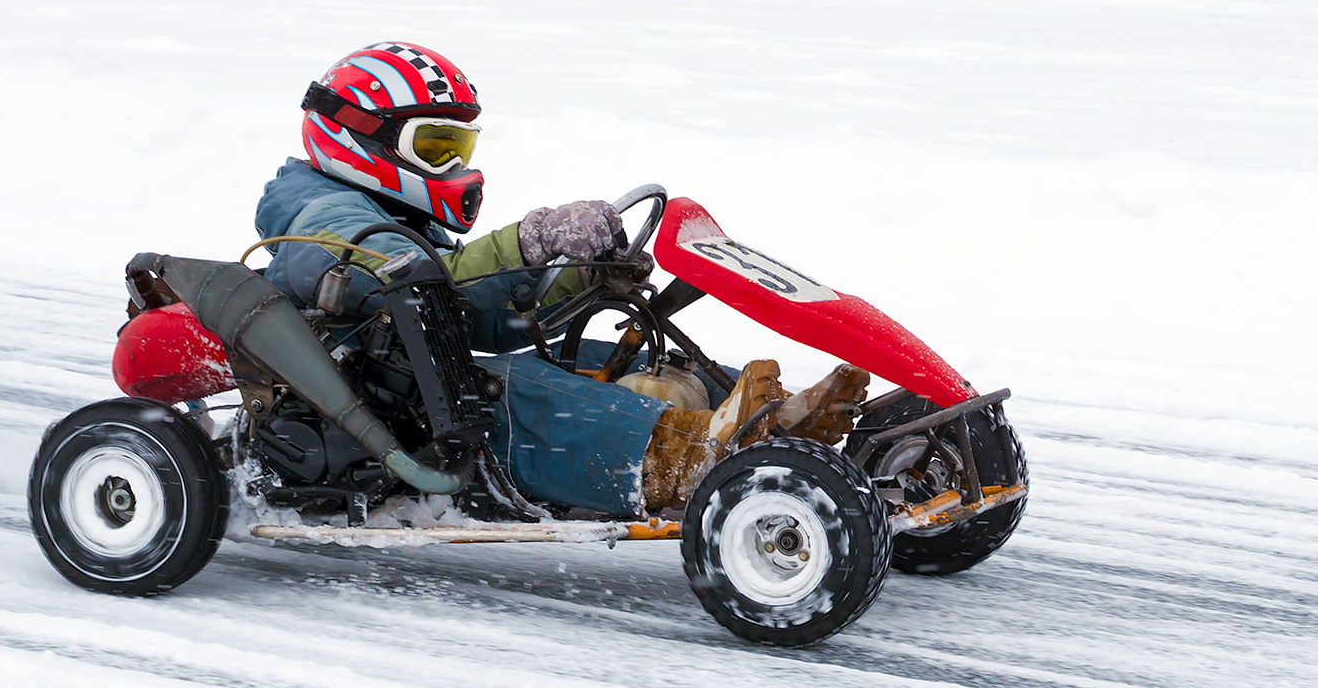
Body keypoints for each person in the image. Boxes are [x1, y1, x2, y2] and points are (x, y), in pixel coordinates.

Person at [255, 42, 868, 516]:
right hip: (383, 420)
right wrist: (527, 242)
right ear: (358, 136)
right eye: (436, 147)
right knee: (516, 386)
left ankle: (772, 418)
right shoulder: (321, 220)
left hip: (419, 393)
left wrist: (577, 275)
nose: (454, 167)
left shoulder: (380, 213)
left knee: (596, 357)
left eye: (459, 147)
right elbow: (410, 286)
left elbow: (474, 315)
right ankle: (696, 454)